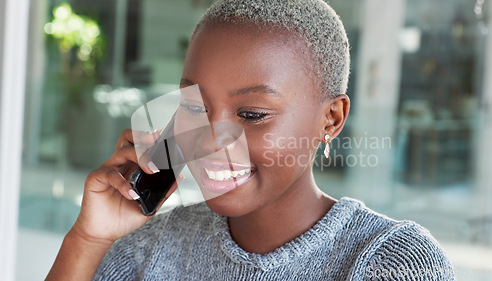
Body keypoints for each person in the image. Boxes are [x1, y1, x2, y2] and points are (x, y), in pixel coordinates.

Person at [47, 0, 456, 280]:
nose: (209, 140)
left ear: (331, 120)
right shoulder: (148, 249)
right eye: (195, 107)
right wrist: (90, 239)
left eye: (251, 115)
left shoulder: (389, 262)